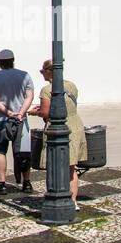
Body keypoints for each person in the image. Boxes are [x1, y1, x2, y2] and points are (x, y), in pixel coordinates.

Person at [29, 60, 88, 206]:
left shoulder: (47, 90)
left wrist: (35, 112)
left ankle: (56, 199)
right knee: (71, 167)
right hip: (75, 124)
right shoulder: (71, 85)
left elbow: (45, 112)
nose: (41, 73)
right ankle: (73, 202)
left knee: (55, 163)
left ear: (49, 71)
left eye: (42, 71)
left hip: (58, 127)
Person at [0, 49, 34, 195]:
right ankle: (26, 183)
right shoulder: (24, 75)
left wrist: (8, 112)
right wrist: (21, 112)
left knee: (0, 151)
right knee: (24, 152)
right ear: (13, 60)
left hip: (0, 120)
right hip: (21, 120)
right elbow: (29, 96)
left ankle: (1, 184)